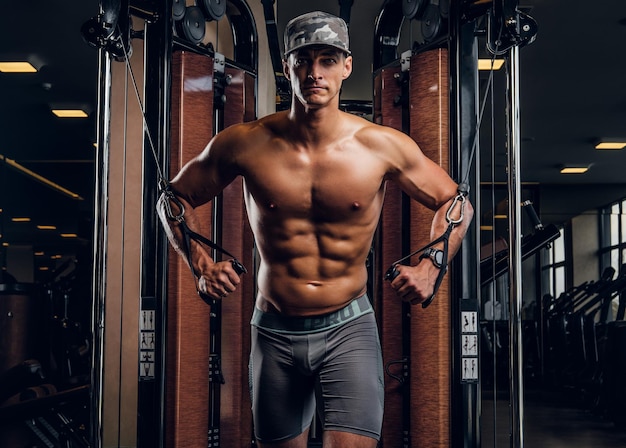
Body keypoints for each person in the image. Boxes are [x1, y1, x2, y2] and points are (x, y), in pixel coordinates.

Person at [157, 10, 473, 448]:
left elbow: (455, 202)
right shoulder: (244, 143)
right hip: (273, 330)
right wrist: (200, 264)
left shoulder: (379, 146)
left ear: (346, 66)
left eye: (327, 60)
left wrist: (431, 265)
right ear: (287, 67)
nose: (314, 72)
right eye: (303, 59)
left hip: (349, 328)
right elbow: (172, 199)